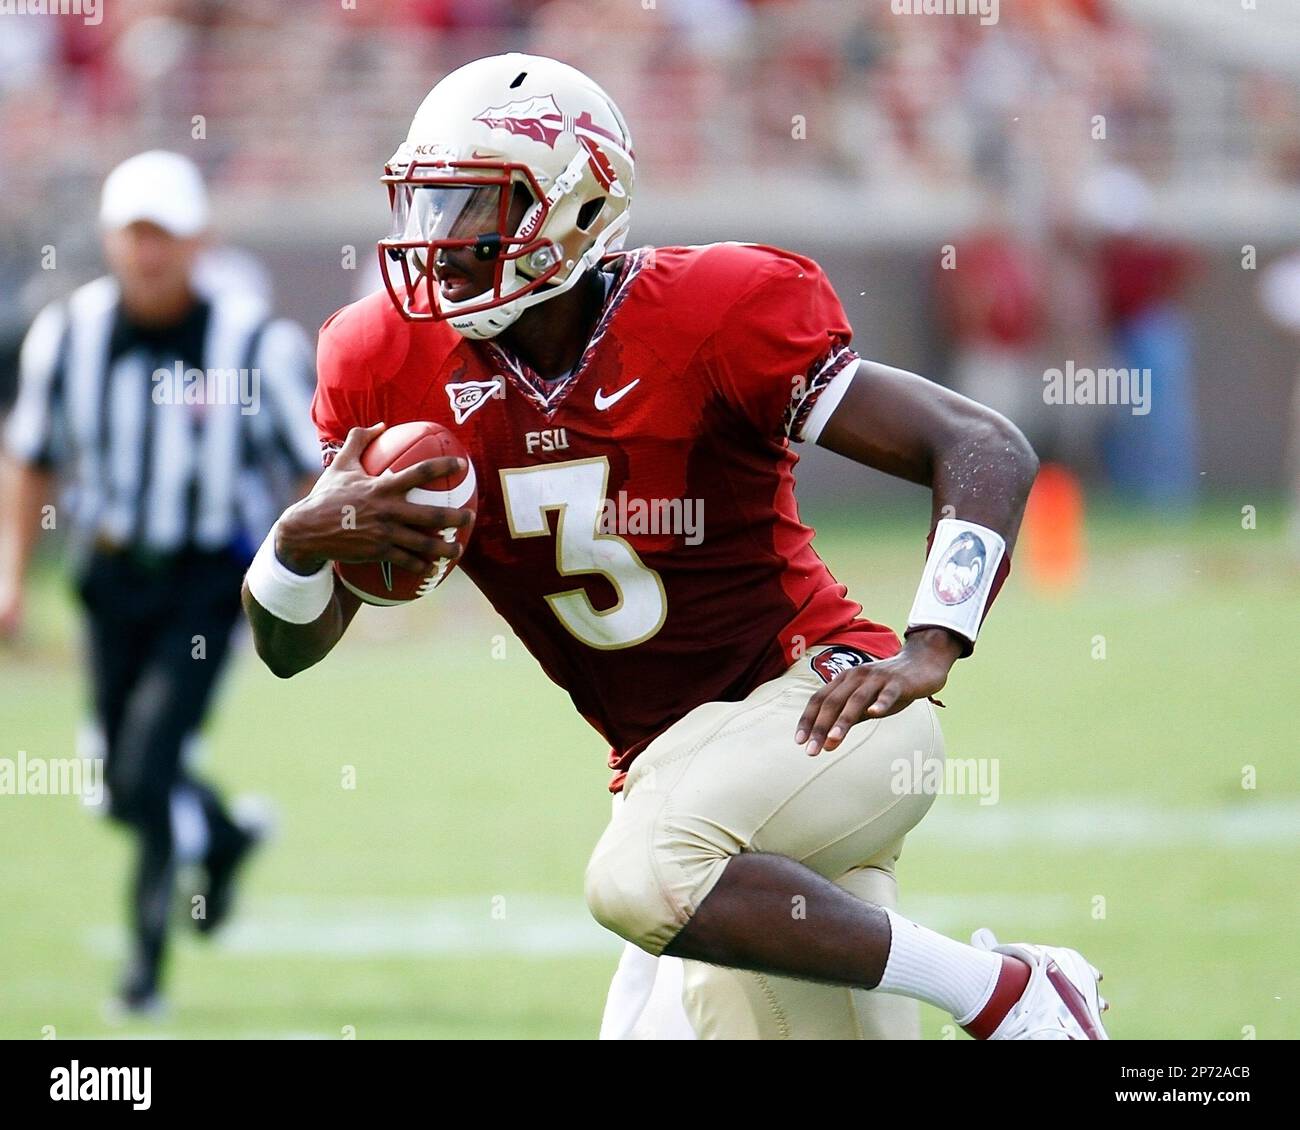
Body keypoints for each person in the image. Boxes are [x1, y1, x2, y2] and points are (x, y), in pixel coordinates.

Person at [243, 54, 1109, 1040]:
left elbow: (979, 444)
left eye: (471, 212)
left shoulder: (713, 312)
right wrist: (298, 539)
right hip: (681, 781)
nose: (437, 246)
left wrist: (930, 642)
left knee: (638, 875)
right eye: (428, 209)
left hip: (824, 707)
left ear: (572, 208)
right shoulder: (383, 361)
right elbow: (287, 647)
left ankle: (1012, 990)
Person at [0, 150, 321, 1015]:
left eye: (165, 235)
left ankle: (142, 974)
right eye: (135, 233)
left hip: (204, 582)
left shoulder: (253, 341)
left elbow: (307, 473)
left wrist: (319, 580)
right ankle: (222, 837)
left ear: (199, 241)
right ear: (109, 238)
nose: (149, 252)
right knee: (118, 781)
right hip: (107, 578)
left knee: (145, 768)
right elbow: (30, 461)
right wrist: (12, 577)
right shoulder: (66, 334)